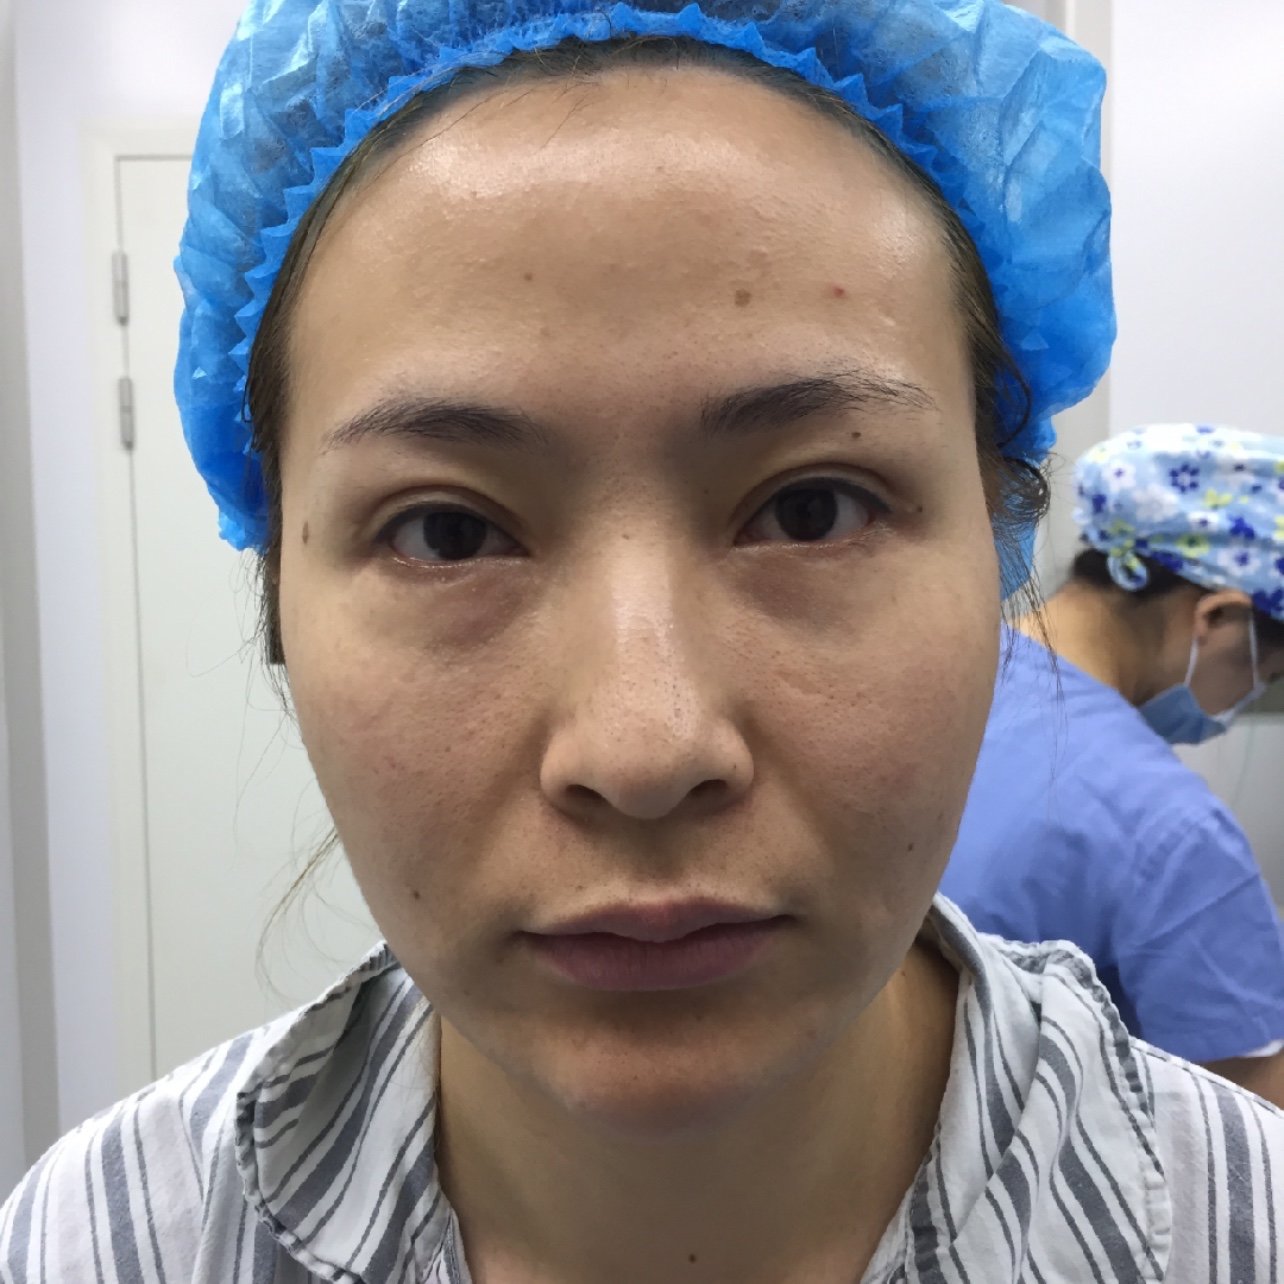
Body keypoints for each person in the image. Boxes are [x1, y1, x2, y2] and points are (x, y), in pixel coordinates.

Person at [2, 1, 1281, 1280]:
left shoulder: (1241, 1229)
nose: (645, 749)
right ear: (277, 590)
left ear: (998, 537)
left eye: (813, 509)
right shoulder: (102, 1244)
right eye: (448, 531)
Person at [944, 422, 1284, 1104]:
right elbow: (1254, 1124)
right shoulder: (1170, 830)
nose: (1246, 698)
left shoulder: (935, 683)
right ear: (1217, 619)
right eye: (1266, 674)